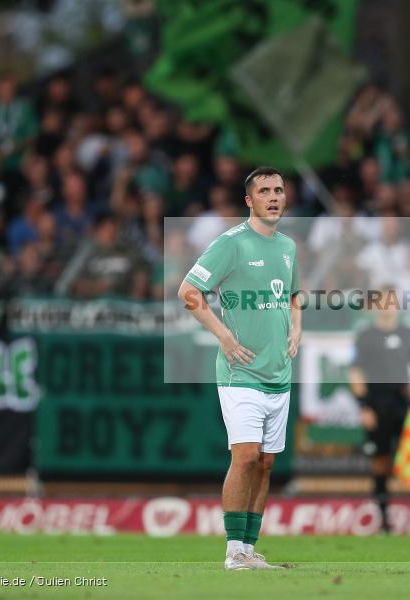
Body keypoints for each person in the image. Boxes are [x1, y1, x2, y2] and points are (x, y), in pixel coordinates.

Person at [177, 166, 301, 571]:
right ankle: (233, 551)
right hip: (240, 371)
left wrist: (296, 330)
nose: (273, 197)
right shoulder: (231, 244)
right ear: (249, 200)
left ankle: (249, 549)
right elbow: (188, 291)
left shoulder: (288, 247)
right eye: (264, 191)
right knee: (245, 456)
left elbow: (294, 295)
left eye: (278, 190)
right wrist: (223, 335)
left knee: (266, 462)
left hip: (278, 373)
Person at [348, 286, 410, 534]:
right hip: (377, 403)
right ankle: (384, 523)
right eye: (384, 301)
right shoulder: (365, 336)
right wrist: (364, 406)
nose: (389, 305)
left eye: (393, 301)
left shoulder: (409, 333)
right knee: (380, 460)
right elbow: (355, 371)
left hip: (403, 403)